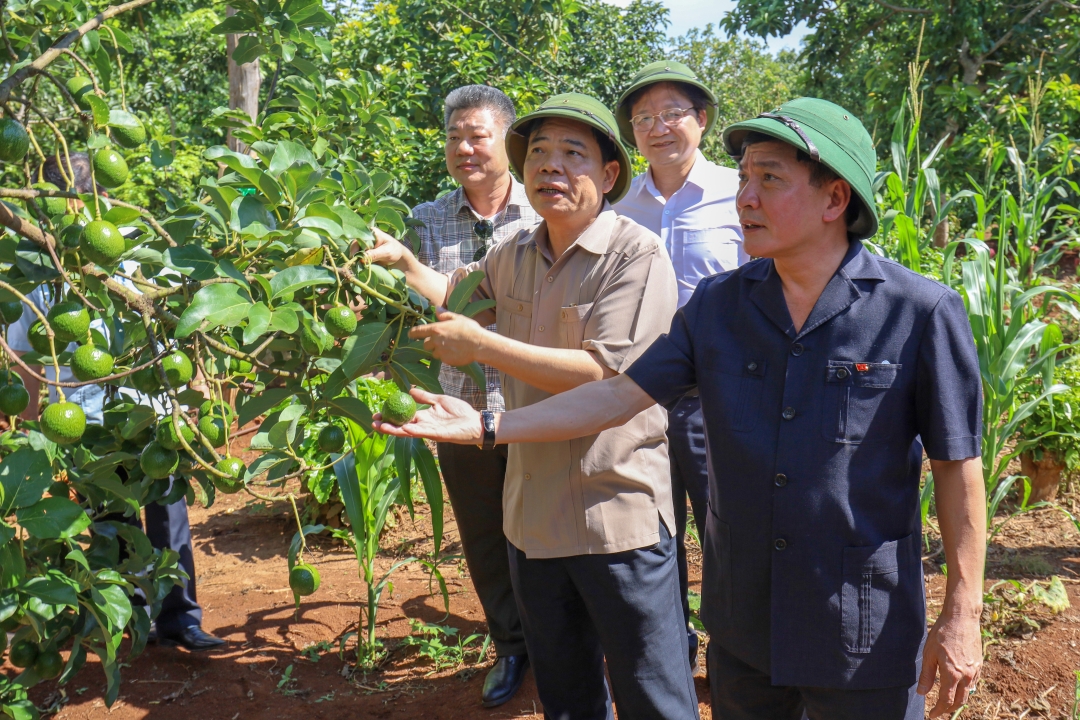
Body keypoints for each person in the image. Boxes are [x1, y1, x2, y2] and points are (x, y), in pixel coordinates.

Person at [373, 98, 986, 720]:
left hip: (860, 623)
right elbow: (617, 395)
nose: (745, 198)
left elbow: (957, 467)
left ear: (834, 199)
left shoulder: (918, 313)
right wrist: (487, 426)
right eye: (743, 178)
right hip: (744, 627)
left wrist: (962, 612)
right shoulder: (719, 307)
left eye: (769, 179)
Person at [367, 93, 699, 720]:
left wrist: (483, 359)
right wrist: (406, 264)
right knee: (566, 697)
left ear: (609, 174)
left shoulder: (636, 255)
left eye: (573, 153)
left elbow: (605, 375)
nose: (551, 165)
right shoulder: (511, 252)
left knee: (653, 696)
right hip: (533, 522)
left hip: (613, 515)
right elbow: (461, 299)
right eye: (539, 152)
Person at [11, 153, 225, 652]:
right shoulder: (35, 267)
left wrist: (189, 395)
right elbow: (24, 358)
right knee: (114, 526)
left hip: (148, 411)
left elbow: (169, 325)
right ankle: (135, 621)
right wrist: (32, 434)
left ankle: (181, 619)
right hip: (82, 419)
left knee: (168, 518)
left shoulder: (130, 249)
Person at [410, 84, 540, 707]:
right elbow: (409, 304)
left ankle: (563, 641)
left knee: (547, 528)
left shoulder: (544, 210)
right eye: (454, 137)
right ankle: (511, 645)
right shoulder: (426, 219)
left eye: (477, 136)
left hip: (535, 405)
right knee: (484, 535)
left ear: (507, 143)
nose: (464, 148)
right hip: (459, 405)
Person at [613, 60, 745, 673]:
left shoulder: (739, 193)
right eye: (643, 118)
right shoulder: (619, 206)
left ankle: (733, 650)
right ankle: (672, 654)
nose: (657, 128)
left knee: (726, 528)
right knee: (652, 532)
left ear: (703, 119)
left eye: (672, 113)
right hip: (637, 398)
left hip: (717, 396)